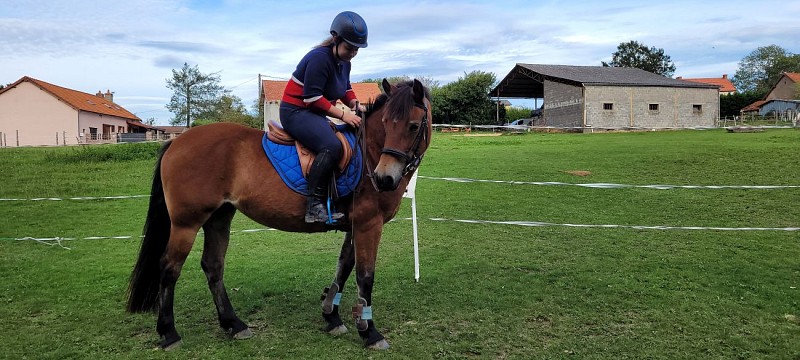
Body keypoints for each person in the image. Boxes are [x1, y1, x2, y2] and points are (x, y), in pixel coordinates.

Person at [279, 11, 369, 223]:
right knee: (332, 146)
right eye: (349, 47)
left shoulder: (345, 63)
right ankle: (314, 205)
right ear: (336, 39)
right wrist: (344, 115)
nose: (353, 53)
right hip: (296, 112)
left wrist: (355, 104)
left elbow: (344, 88)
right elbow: (312, 98)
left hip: (314, 113)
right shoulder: (319, 58)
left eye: (357, 49)